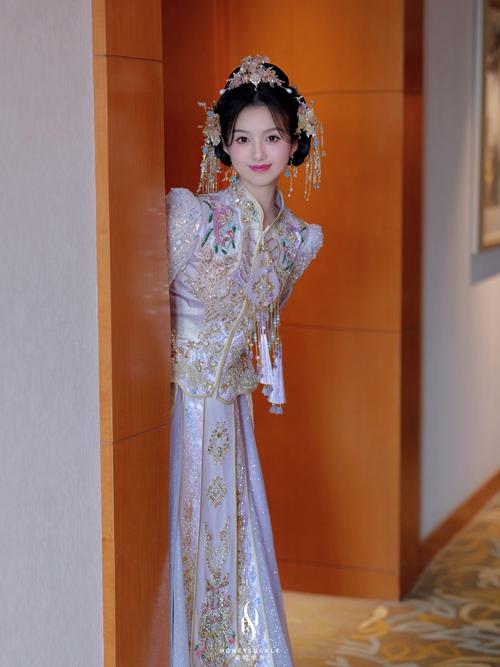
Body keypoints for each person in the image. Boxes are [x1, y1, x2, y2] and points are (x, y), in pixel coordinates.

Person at [167, 55, 325, 666]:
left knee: (234, 545)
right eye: (242, 138)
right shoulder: (194, 217)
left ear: (295, 139)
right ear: (223, 143)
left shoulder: (298, 240)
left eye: (272, 136)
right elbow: (132, 314)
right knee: (178, 545)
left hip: (232, 417)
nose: (258, 152)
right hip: (174, 412)